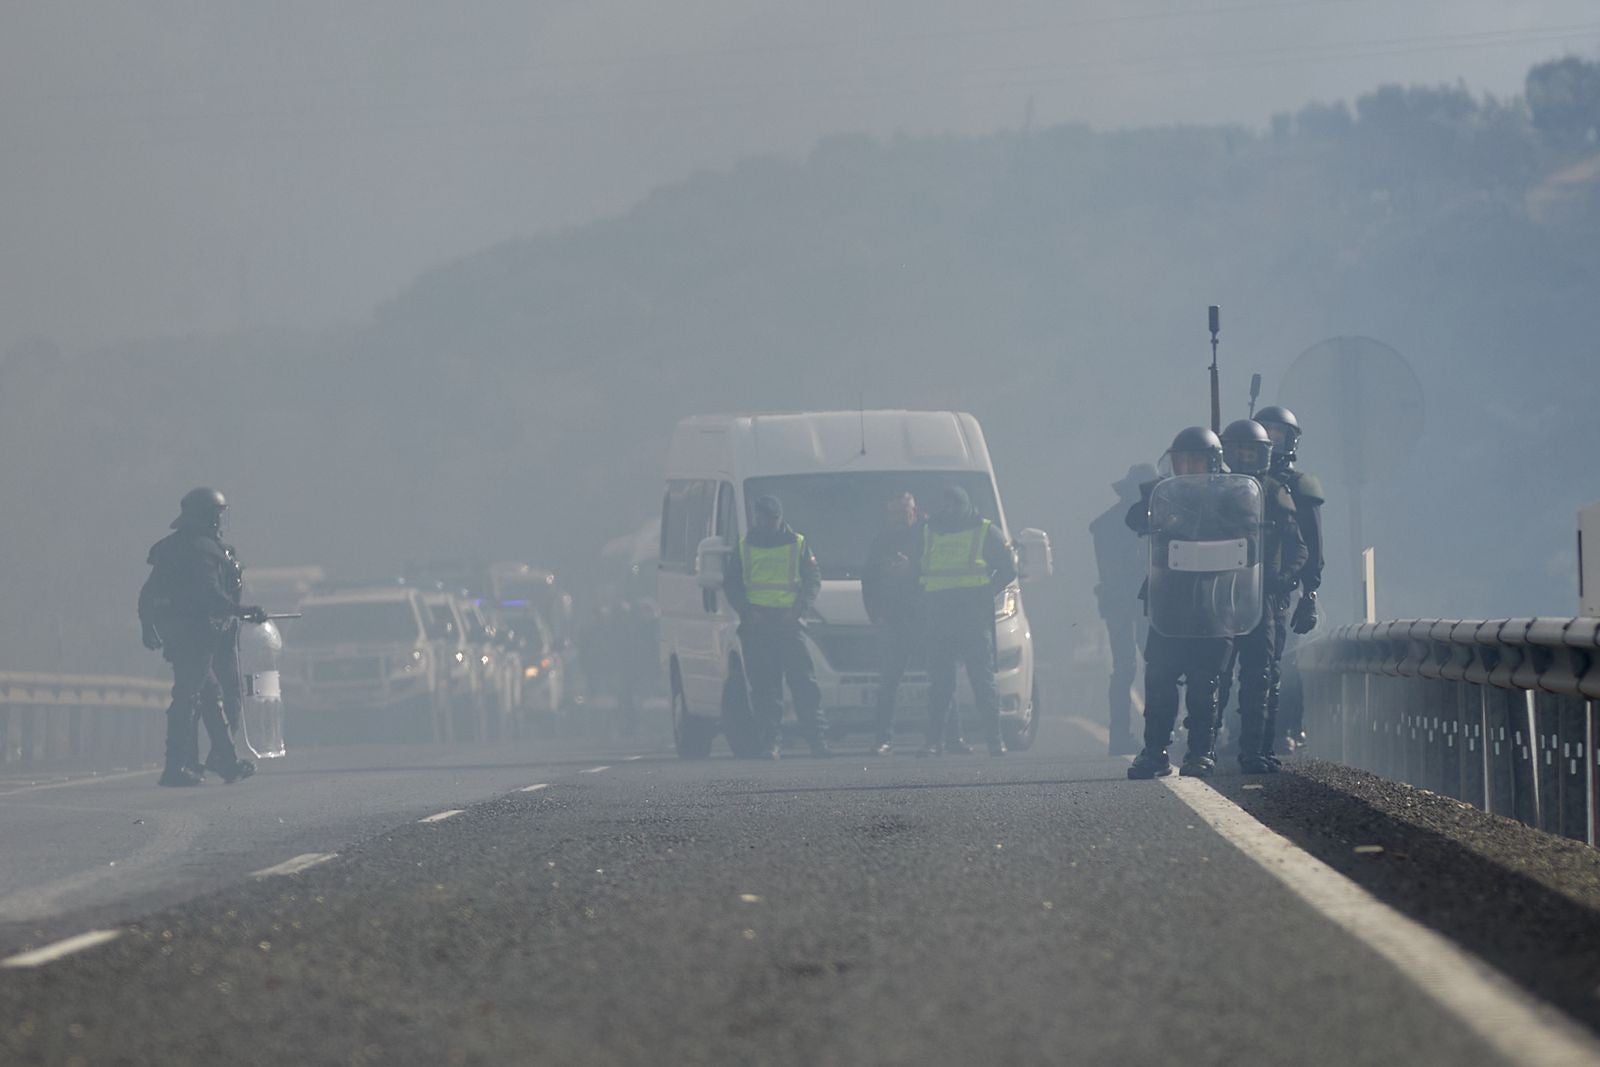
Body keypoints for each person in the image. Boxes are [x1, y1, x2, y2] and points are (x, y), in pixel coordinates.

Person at [1125, 428, 1236, 779]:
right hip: (1170, 600)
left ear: (1214, 462)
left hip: (1215, 600)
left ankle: (1201, 752)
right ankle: (1155, 751)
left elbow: (1250, 530)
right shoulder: (1162, 493)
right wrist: (1161, 508)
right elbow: (1133, 518)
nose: (1188, 467)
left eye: (1196, 460)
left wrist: (1217, 510)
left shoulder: (1235, 495)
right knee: (1159, 677)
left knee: (1205, 682)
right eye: (1182, 460)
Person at [139, 488, 266, 787]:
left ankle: (227, 760)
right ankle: (175, 766)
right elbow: (209, 594)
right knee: (187, 695)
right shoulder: (202, 551)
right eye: (218, 514)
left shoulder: (172, 547)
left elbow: (147, 593)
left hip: (177, 632)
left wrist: (148, 625)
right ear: (209, 516)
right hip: (195, 634)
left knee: (208, 694)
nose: (221, 521)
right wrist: (242, 610)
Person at [1218, 420, 1308, 773]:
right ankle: (1204, 748)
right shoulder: (1215, 489)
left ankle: (1256, 750)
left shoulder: (1273, 491)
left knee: (1262, 676)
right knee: (1215, 675)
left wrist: (1281, 581)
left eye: (1249, 449)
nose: (1243, 456)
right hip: (1221, 595)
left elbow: (1297, 546)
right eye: (1236, 448)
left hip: (1263, 598)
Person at [723, 494, 830, 759]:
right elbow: (732, 583)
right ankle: (770, 743)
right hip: (758, 627)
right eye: (762, 518)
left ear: (779, 518)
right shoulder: (744, 546)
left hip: (788, 624)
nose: (766, 523)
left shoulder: (798, 543)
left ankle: (817, 741)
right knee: (764, 689)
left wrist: (798, 610)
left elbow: (812, 579)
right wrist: (747, 611)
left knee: (804, 685)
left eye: (771, 518)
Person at [918, 484, 1016, 757]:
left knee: (982, 681)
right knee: (940, 684)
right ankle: (934, 742)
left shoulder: (985, 530)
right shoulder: (929, 530)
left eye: (954, 505)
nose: (949, 510)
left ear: (965, 505)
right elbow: (920, 568)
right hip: (939, 617)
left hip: (971, 618)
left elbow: (1008, 569)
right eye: (945, 505)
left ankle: (995, 741)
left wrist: (986, 592)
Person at [1254, 405, 1326, 753]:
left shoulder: (1299, 486)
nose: (1269, 440)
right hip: (1246, 584)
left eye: (1277, 435)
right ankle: (1243, 731)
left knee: (1285, 658)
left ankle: (1286, 728)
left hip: (1288, 585)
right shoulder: (1245, 482)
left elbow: (1312, 543)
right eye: (1263, 432)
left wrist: (1309, 592)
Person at [1091, 464, 1157, 756]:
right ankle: (1158, 733)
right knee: (1154, 666)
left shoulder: (1105, 523)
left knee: (1124, 669)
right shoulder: (1150, 521)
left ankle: (1120, 735)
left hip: (1120, 602)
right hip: (1143, 601)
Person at [862, 491, 925, 756]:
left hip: (923, 619)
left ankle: (947, 737)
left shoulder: (928, 537)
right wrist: (875, 614)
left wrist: (913, 568)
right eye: (895, 513)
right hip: (894, 620)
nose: (901, 518)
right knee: (888, 681)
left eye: (906, 512)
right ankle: (883, 738)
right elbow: (868, 581)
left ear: (915, 511)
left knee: (940, 678)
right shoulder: (881, 542)